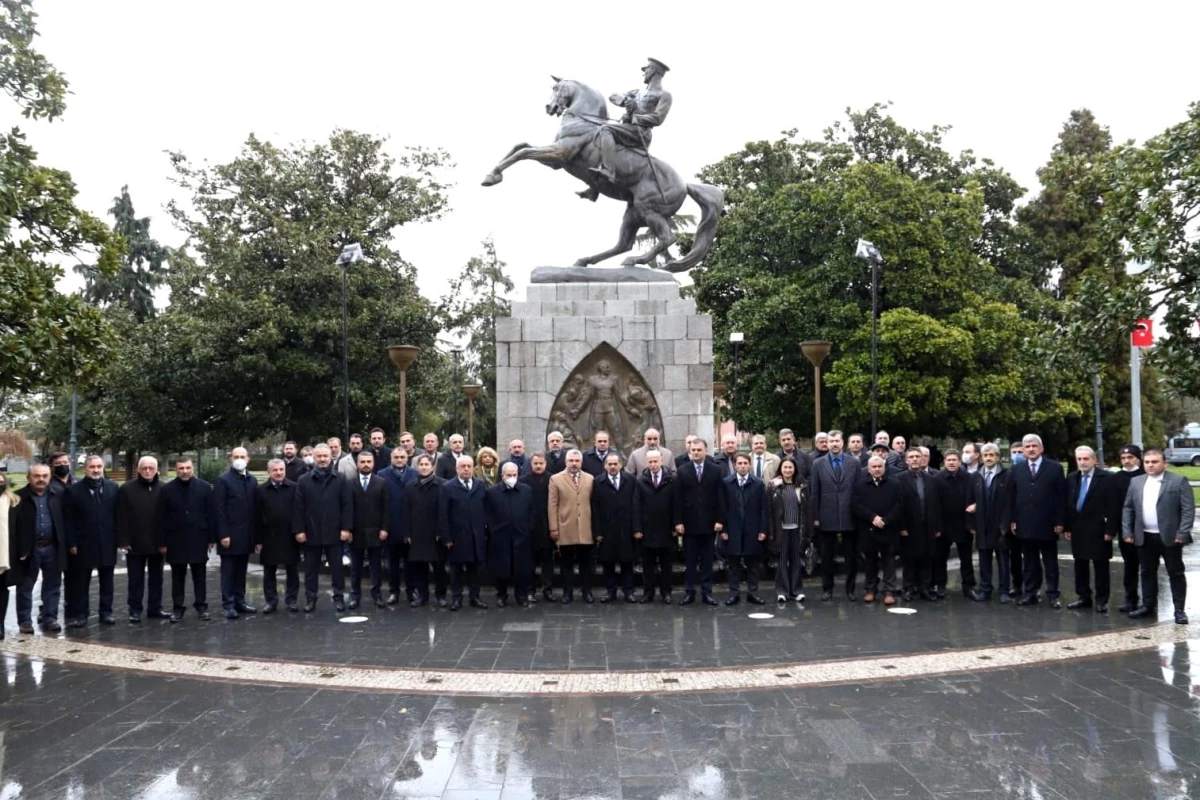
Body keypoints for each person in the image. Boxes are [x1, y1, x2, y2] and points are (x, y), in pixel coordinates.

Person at [1122, 448, 1194, 624]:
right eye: (1147, 462)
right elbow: (1128, 508)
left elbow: (1187, 509)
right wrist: (1128, 531)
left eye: (1154, 462)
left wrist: (1182, 533)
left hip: (1170, 536)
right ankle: (1148, 606)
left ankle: (1179, 610)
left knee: (1175, 573)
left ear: (1164, 463)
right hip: (1145, 536)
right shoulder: (1137, 482)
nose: (1150, 465)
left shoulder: (1178, 481)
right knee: (1147, 572)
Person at [588, 58, 672, 189]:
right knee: (600, 140)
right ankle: (595, 188)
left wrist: (636, 117)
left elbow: (658, 118)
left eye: (646, 69)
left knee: (606, 130)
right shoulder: (636, 92)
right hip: (627, 128)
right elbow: (613, 96)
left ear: (654, 71)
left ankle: (608, 171)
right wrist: (626, 101)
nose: (644, 72)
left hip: (641, 132)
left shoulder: (664, 95)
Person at [1008, 433, 1067, 608]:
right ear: (1024, 450)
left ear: (1041, 448)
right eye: (1027, 447)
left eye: (1034, 446)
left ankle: (1053, 594)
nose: (1031, 449)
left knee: (1050, 561)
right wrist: (1013, 519)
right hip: (1025, 523)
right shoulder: (1017, 469)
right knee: (1029, 562)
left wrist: (1059, 521)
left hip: (1048, 523)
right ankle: (1030, 592)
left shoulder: (1055, 468)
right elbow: (1012, 496)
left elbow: (1061, 497)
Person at [293, 443, 353, 613]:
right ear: (314, 456)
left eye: (325, 456)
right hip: (311, 532)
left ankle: (339, 597)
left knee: (337, 568)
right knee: (311, 570)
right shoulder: (304, 480)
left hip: (335, 532)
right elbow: (298, 507)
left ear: (330, 456)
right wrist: (299, 530)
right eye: (319, 456)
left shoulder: (340, 478)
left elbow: (346, 505)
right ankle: (311, 599)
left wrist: (346, 528)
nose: (322, 459)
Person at [63, 455, 120, 627]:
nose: (96, 470)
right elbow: (68, 520)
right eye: (92, 467)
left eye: (99, 466)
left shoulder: (113, 488)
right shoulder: (73, 490)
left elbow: (118, 516)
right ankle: (81, 614)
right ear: (85, 469)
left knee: (107, 581)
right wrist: (72, 543)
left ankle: (106, 613)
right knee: (81, 582)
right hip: (83, 543)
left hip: (107, 542)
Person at [156, 457, 214, 622]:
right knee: (177, 577)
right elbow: (160, 518)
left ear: (192, 468)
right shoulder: (167, 490)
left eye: (188, 468)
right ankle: (178, 608)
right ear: (176, 469)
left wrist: (211, 538)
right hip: (175, 539)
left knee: (200, 576)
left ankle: (202, 606)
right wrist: (162, 542)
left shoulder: (204, 487)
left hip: (198, 537)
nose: (185, 471)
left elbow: (211, 515)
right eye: (181, 468)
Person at [1063, 446, 1118, 613]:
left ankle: (1102, 600)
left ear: (1094, 460)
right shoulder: (1072, 478)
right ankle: (1083, 597)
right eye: (1079, 459)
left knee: (1100, 566)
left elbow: (1113, 506)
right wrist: (1067, 526)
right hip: (1078, 528)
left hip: (1099, 529)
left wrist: (1110, 530)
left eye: (1086, 459)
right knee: (1080, 564)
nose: (1082, 462)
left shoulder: (1107, 478)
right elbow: (1068, 503)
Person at [809, 430, 862, 601]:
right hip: (827, 516)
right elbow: (814, 493)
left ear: (842, 442)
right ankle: (827, 589)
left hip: (849, 516)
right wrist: (815, 516)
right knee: (827, 557)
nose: (834, 444)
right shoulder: (818, 464)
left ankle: (850, 589)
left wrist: (858, 514)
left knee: (851, 557)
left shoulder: (854, 463)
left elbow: (858, 490)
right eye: (830, 441)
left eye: (837, 441)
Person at [12, 464, 64, 633]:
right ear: (29, 478)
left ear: (50, 477)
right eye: (37, 476)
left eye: (45, 475)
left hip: (52, 547)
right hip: (29, 549)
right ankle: (25, 621)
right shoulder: (18, 498)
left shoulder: (59, 495)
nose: (41, 479)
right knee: (25, 586)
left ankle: (50, 618)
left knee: (53, 586)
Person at [116, 456, 167, 623]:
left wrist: (165, 542)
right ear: (138, 470)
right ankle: (135, 610)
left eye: (151, 468)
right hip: (134, 543)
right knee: (135, 579)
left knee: (157, 578)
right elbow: (121, 516)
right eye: (144, 468)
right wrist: (123, 541)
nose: (147, 471)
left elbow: (169, 518)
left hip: (157, 543)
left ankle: (155, 608)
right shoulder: (126, 489)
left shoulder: (164, 489)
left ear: (156, 469)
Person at [674, 438, 723, 606]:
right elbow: (677, 499)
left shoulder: (716, 470)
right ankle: (689, 592)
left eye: (699, 450)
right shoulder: (682, 471)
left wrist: (719, 520)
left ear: (706, 450)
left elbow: (720, 497)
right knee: (690, 561)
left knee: (707, 561)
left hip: (709, 524)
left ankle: (707, 592)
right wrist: (678, 521)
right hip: (689, 524)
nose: (696, 452)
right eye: (693, 450)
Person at [213, 447, 259, 619]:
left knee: (241, 570)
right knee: (228, 572)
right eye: (236, 456)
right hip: (229, 535)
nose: (239, 459)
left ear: (249, 459)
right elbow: (219, 509)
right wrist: (223, 534)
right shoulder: (223, 480)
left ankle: (240, 601)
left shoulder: (252, 480)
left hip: (246, 535)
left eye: (242, 456)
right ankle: (228, 604)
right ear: (230, 459)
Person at [852, 455, 904, 605]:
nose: (877, 469)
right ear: (868, 469)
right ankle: (870, 589)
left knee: (889, 561)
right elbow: (856, 505)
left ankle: (889, 591)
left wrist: (886, 521)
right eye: (873, 467)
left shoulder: (895, 485)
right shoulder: (860, 485)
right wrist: (872, 518)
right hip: (868, 529)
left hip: (888, 528)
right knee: (870, 562)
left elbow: (899, 506)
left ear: (884, 467)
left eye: (879, 466)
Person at [439, 455, 488, 610]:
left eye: (469, 466)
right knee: (456, 570)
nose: (466, 469)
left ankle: (475, 597)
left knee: (475, 569)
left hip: (476, 535)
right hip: (457, 536)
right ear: (457, 468)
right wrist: (446, 537)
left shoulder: (480, 485)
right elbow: (443, 514)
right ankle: (456, 598)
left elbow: (486, 509)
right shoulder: (447, 487)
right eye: (463, 466)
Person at [967, 443, 1014, 603]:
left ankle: (1004, 591)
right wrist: (971, 525)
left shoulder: (1007, 475)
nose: (988, 458)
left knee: (1002, 560)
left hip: (1000, 525)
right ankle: (985, 590)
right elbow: (970, 501)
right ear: (981, 457)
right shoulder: (975, 477)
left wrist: (1005, 525)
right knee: (984, 559)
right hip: (982, 525)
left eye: (991, 455)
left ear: (998, 457)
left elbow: (1010, 502)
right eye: (985, 455)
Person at [719, 454, 767, 605]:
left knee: (753, 564)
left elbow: (763, 509)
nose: (742, 466)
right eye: (739, 463)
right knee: (733, 564)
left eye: (745, 463)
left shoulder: (758, 484)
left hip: (752, 529)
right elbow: (722, 507)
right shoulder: (726, 483)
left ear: (750, 465)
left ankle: (753, 592)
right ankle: (734, 593)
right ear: (734, 465)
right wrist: (723, 529)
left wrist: (763, 530)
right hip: (732, 528)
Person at [485, 462, 535, 607]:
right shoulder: (492, 492)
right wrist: (493, 530)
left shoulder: (526, 490)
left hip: (521, 536)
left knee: (522, 568)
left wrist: (527, 529)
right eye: (509, 475)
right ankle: (501, 595)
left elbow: (532, 512)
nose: (512, 478)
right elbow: (488, 513)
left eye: (514, 475)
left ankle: (521, 595)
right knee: (501, 568)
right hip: (500, 537)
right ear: (502, 475)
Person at [549, 449, 595, 603]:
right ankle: (567, 592)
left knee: (586, 564)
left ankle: (586, 592)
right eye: (571, 461)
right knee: (566, 564)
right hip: (565, 527)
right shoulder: (555, 479)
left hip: (585, 528)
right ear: (566, 462)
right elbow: (552, 505)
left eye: (577, 461)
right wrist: (554, 528)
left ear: (581, 462)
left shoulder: (590, 479)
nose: (574, 464)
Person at [591, 452, 637, 603]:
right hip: (607, 529)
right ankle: (611, 591)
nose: (612, 467)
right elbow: (595, 508)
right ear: (605, 466)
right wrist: (597, 531)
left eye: (615, 464)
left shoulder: (630, 480)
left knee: (627, 562)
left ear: (620, 465)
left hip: (626, 528)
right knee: (608, 562)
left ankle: (629, 591)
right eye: (609, 464)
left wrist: (636, 528)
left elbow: (635, 504)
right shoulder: (598, 482)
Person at [897, 448, 941, 602]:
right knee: (909, 560)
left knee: (927, 559)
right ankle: (908, 588)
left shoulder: (931, 479)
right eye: (911, 457)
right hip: (909, 527)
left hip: (928, 526)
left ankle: (925, 589)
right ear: (907, 460)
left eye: (918, 456)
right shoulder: (899, 479)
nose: (915, 459)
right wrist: (901, 527)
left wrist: (937, 527)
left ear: (923, 459)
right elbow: (898, 505)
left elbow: (936, 504)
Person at [257, 459, 300, 613]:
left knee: (292, 570)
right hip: (269, 536)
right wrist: (258, 539)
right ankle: (271, 601)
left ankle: (292, 600)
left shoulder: (294, 488)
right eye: (275, 470)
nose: (279, 472)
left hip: (290, 535)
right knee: (269, 571)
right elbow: (257, 516)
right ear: (269, 472)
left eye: (281, 469)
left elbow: (299, 512)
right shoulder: (261, 490)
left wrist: (298, 531)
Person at [633, 450, 676, 604]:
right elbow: (636, 505)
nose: (653, 464)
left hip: (666, 528)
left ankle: (666, 592)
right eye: (650, 462)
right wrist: (637, 528)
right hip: (647, 529)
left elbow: (675, 505)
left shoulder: (671, 479)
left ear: (661, 460)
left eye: (655, 461)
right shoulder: (640, 481)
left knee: (666, 564)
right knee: (648, 565)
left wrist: (675, 525)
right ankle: (648, 592)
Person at [349, 450, 390, 610]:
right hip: (356, 532)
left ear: (373, 464)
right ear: (357, 464)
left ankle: (377, 595)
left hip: (376, 531)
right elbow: (347, 508)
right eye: (362, 462)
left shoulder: (381, 482)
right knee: (355, 568)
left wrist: (384, 528)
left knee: (375, 566)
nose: (366, 465)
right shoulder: (350, 483)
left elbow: (386, 508)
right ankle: (355, 596)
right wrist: (348, 529)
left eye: (369, 462)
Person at [933, 450, 975, 600]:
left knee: (966, 559)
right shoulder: (937, 479)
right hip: (943, 526)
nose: (951, 462)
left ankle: (968, 587)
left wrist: (971, 524)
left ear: (959, 462)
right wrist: (937, 527)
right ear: (944, 462)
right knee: (940, 558)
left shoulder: (968, 478)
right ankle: (940, 586)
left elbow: (972, 500)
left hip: (963, 525)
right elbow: (934, 505)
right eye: (948, 460)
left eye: (954, 460)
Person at [405, 454, 446, 607]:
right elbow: (406, 510)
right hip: (417, 532)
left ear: (433, 466)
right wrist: (407, 533)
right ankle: (422, 595)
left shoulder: (443, 485)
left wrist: (441, 531)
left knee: (439, 567)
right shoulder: (410, 486)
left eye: (426, 464)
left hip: (435, 533)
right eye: (421, 464)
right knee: (419, 567)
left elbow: (444, 511)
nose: (423, 467)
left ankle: (441, 595)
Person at [767, 457, 809, 603]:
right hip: (781, 530)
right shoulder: (774, 485)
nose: (788, 470)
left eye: (790, 467)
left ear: (795, 469)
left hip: (797, 530)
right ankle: (782, 591)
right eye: (785, 467)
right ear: (780, 469)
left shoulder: (802, 485)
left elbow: (807, 509)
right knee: (782, 561)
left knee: (796, 561)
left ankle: (797, 591)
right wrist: (771, 532)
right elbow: (769, 511)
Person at [378, 448, 417, 605]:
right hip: (391, 525)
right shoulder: (382, 474)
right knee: (392, 563)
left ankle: (411, 590)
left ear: (407, 458)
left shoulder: (414, 474)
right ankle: (394, 591)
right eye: (396, 457)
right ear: (391, 458)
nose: (399, 459)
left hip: (410, 526)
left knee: (410, 562)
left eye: (402, 457)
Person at [1112, 445, 1145, 612]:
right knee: (1130, 566)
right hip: (1125, 529)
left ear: (1138, 458)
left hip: (1145, 528)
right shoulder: (1117, 478)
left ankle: (1148, 601)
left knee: (1147, 566)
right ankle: (1130, 599)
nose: (1126, 461)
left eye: (1130, 458)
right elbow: (1114, 505)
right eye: (1123, 458)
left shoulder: (1145, 475)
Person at [521, 453, 556, 601]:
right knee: (530, 562)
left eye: (541, 463)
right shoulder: (523, 481)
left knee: (548, 562)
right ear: (531, 464)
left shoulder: (553, 479)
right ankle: (530, 590)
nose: (538, 466)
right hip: (530, 527)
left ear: (546, 464)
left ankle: (547, 590)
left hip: (548, 525)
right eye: (535, 463)